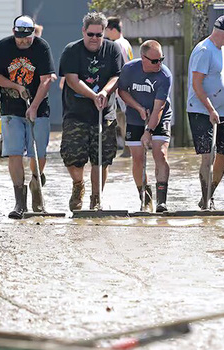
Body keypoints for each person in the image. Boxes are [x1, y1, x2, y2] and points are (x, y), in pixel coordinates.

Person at [0, 15, 55, 218]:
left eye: (27, 37)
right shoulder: (3, 47)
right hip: (10, 108)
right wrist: (16, 86)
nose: (24, 41)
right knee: (15, 153)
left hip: (39, 107)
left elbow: (46, 81)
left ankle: (36, 183)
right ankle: (19, 202)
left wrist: (33, 106)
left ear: (33, 32)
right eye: (20, 38)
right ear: (14, 32)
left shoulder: (42, 47)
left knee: (38, 154)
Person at [59, 12, 124, 211]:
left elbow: (117, 76)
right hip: (76, 113)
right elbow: (72, 79)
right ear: (83, 31)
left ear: (104, 32)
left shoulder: (113, 49)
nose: (95, 39)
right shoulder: (72, 50)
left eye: (99, 34)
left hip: (104, 114)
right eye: (91, 34)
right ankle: (78, 185)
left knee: (101, 159)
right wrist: (92, 95)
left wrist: (104, 92)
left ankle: (96, 197)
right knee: (72, 157)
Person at [187, 15, 224, 210]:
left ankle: (210, 193)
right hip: (201, 110)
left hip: (220, 111)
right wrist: (210, 109)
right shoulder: (204, 51)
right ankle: (205, 201)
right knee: (207, 156)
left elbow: (223, 76)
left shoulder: (223, 49)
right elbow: (196, 84)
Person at [118, 40, 173, 212]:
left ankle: (161, 202)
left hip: (160, 115)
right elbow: (122, 91)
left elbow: (158, 108)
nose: (159, 64)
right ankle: (145, 198)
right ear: (143, 58)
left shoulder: (165, 75)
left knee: (160, 154)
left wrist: (148, 130)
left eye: (161, 60)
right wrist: (139, 108)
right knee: (138, 158)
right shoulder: (129, 69)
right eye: (155, 61)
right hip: (135, 117)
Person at [105, 16, 135, 158]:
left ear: (111, 29)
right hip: (128, 84)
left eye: (106, 30)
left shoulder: (116, 44)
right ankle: (128, 147)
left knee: (122, 118)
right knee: (123, 117)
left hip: (121, 87)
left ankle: (127, 147)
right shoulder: (126, 43)